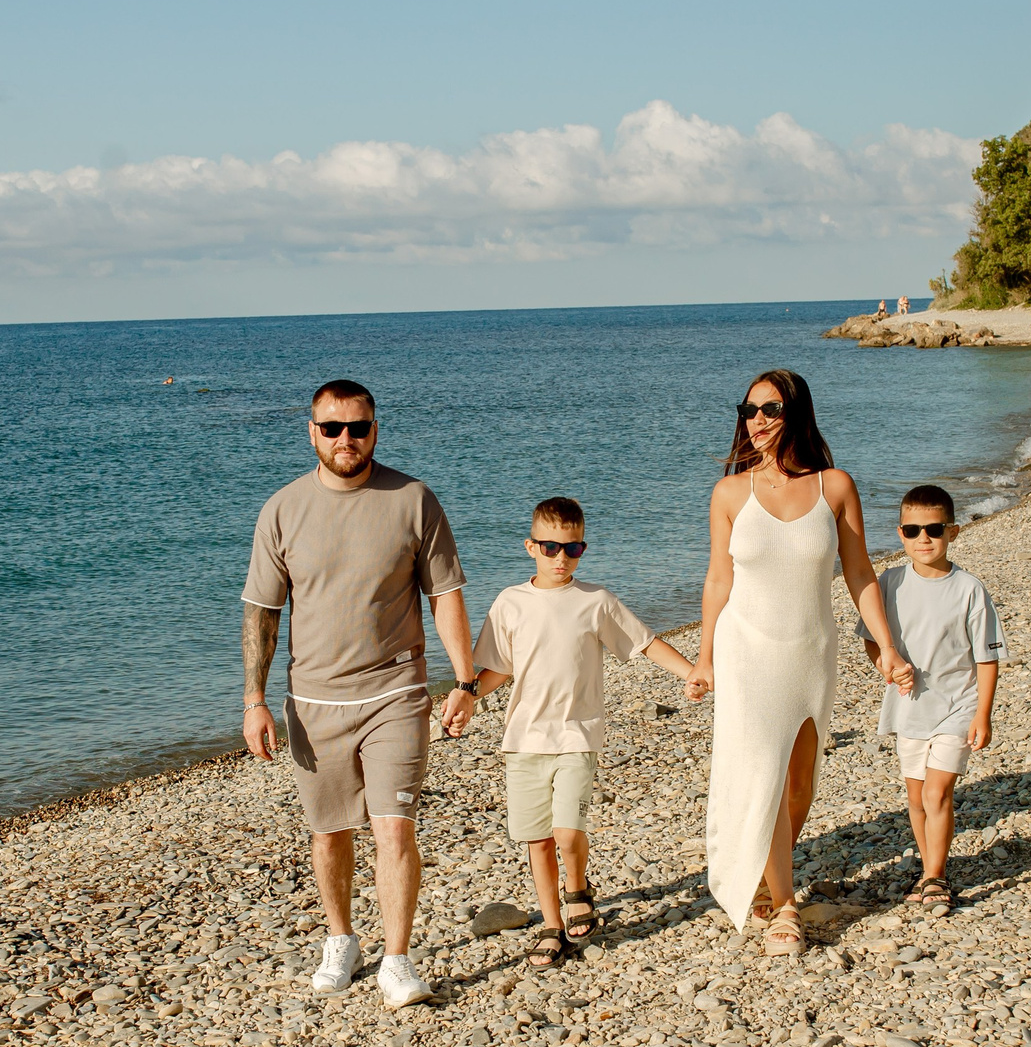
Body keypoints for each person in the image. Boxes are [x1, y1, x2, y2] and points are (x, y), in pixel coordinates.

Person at [242, 379, 478, 1009]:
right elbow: (263, 612)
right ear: (312, 432)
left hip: (396, 694)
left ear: (375, 430)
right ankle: (341, 938)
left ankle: (396, 961)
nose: (345, 438)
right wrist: (253, 701)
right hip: (313, 703)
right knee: (329, 832)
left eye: (358, 427)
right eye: (332, 428)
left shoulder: (413, 499)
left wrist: (464, 681)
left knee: (394, 828)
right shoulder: (282, 510)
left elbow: (445, 594)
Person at [684, 370, 914, 955]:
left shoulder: (834, 486)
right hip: (746, 653)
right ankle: (785, 905)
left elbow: (859, 572)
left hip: (811, 652)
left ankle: (768, 867)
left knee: (799, 785)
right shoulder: (729, 493)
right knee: (763, 773)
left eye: (770, 409)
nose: (757, 421)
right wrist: (704, 659)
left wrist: (887, 645)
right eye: (749, 410)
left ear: (797, 412)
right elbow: (717, 580)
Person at [467, 496, 698, 970]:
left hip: (577, 734)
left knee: (567, 833)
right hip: (524, 739)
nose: (561, 558)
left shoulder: (596, 601)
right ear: (530, 546)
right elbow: (497, 669)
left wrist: (691, 672)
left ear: (582, 549)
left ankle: (577, 889)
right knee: (538, 840)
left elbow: (645, 642)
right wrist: (465, 695)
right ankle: (551, 926)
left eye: (572, 549)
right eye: (550, 547)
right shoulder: (510, 602)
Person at [861, 484, 1004, 914]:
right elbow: (871, 638)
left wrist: (982, 714)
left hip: (958, 706)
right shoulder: (890, 582)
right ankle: (927, 870)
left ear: (953, 532)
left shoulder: (969, 589)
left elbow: (987, 658)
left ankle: (937, 877)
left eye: (934, 529)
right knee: (916, 797)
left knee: (937, 794)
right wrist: (887, 667)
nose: (923, 538)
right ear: (900, 534)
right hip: (908, 708)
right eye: (912, 530)